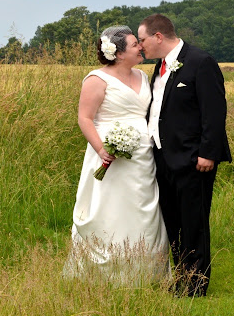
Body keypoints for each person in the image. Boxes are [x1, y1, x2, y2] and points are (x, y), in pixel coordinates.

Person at [64, 26, 169, 284]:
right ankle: (105, 272)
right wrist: (102, 149)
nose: (141, 47)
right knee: (110, 207)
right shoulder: (96, 80)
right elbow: (85, 118)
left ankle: (145, 271)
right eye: (135, 44)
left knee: (142, 206)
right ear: (119, 53)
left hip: (142, 155)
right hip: (107, 154)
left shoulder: (143, 78)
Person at [137, 14, 231, 297]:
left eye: (142, 40)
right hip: (163, 158)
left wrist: (207, 153)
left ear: (158, 36)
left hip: (193, 160)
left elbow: (214, 112)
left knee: (194, 223)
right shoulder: (160, 67)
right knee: (173, 223)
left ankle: (196, 286)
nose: (140, 47)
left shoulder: (201, 62)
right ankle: (181, 276)